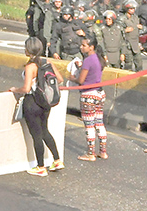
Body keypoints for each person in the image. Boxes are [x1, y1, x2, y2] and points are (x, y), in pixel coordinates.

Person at [10, 37, 63, 176]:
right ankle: (57, 160)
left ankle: (40, 167)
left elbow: (27, 88)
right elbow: (60, 79)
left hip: (32, 103)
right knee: (45, 130)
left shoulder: (30, 67)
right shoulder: (47, 62)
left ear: (28, 50)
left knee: (36, 135)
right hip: (45, 102)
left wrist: (15, 89)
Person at [71, 34, 107, 161]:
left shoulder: (88, 60)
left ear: (91, 47)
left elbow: (81, 80)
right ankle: (103, 151)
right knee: (99, 122)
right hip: (99, 94)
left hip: (88, 95)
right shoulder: (98, 58)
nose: (81, 47)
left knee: (89, 124)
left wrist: (72, 78)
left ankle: (90, 153)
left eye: (84, 45)